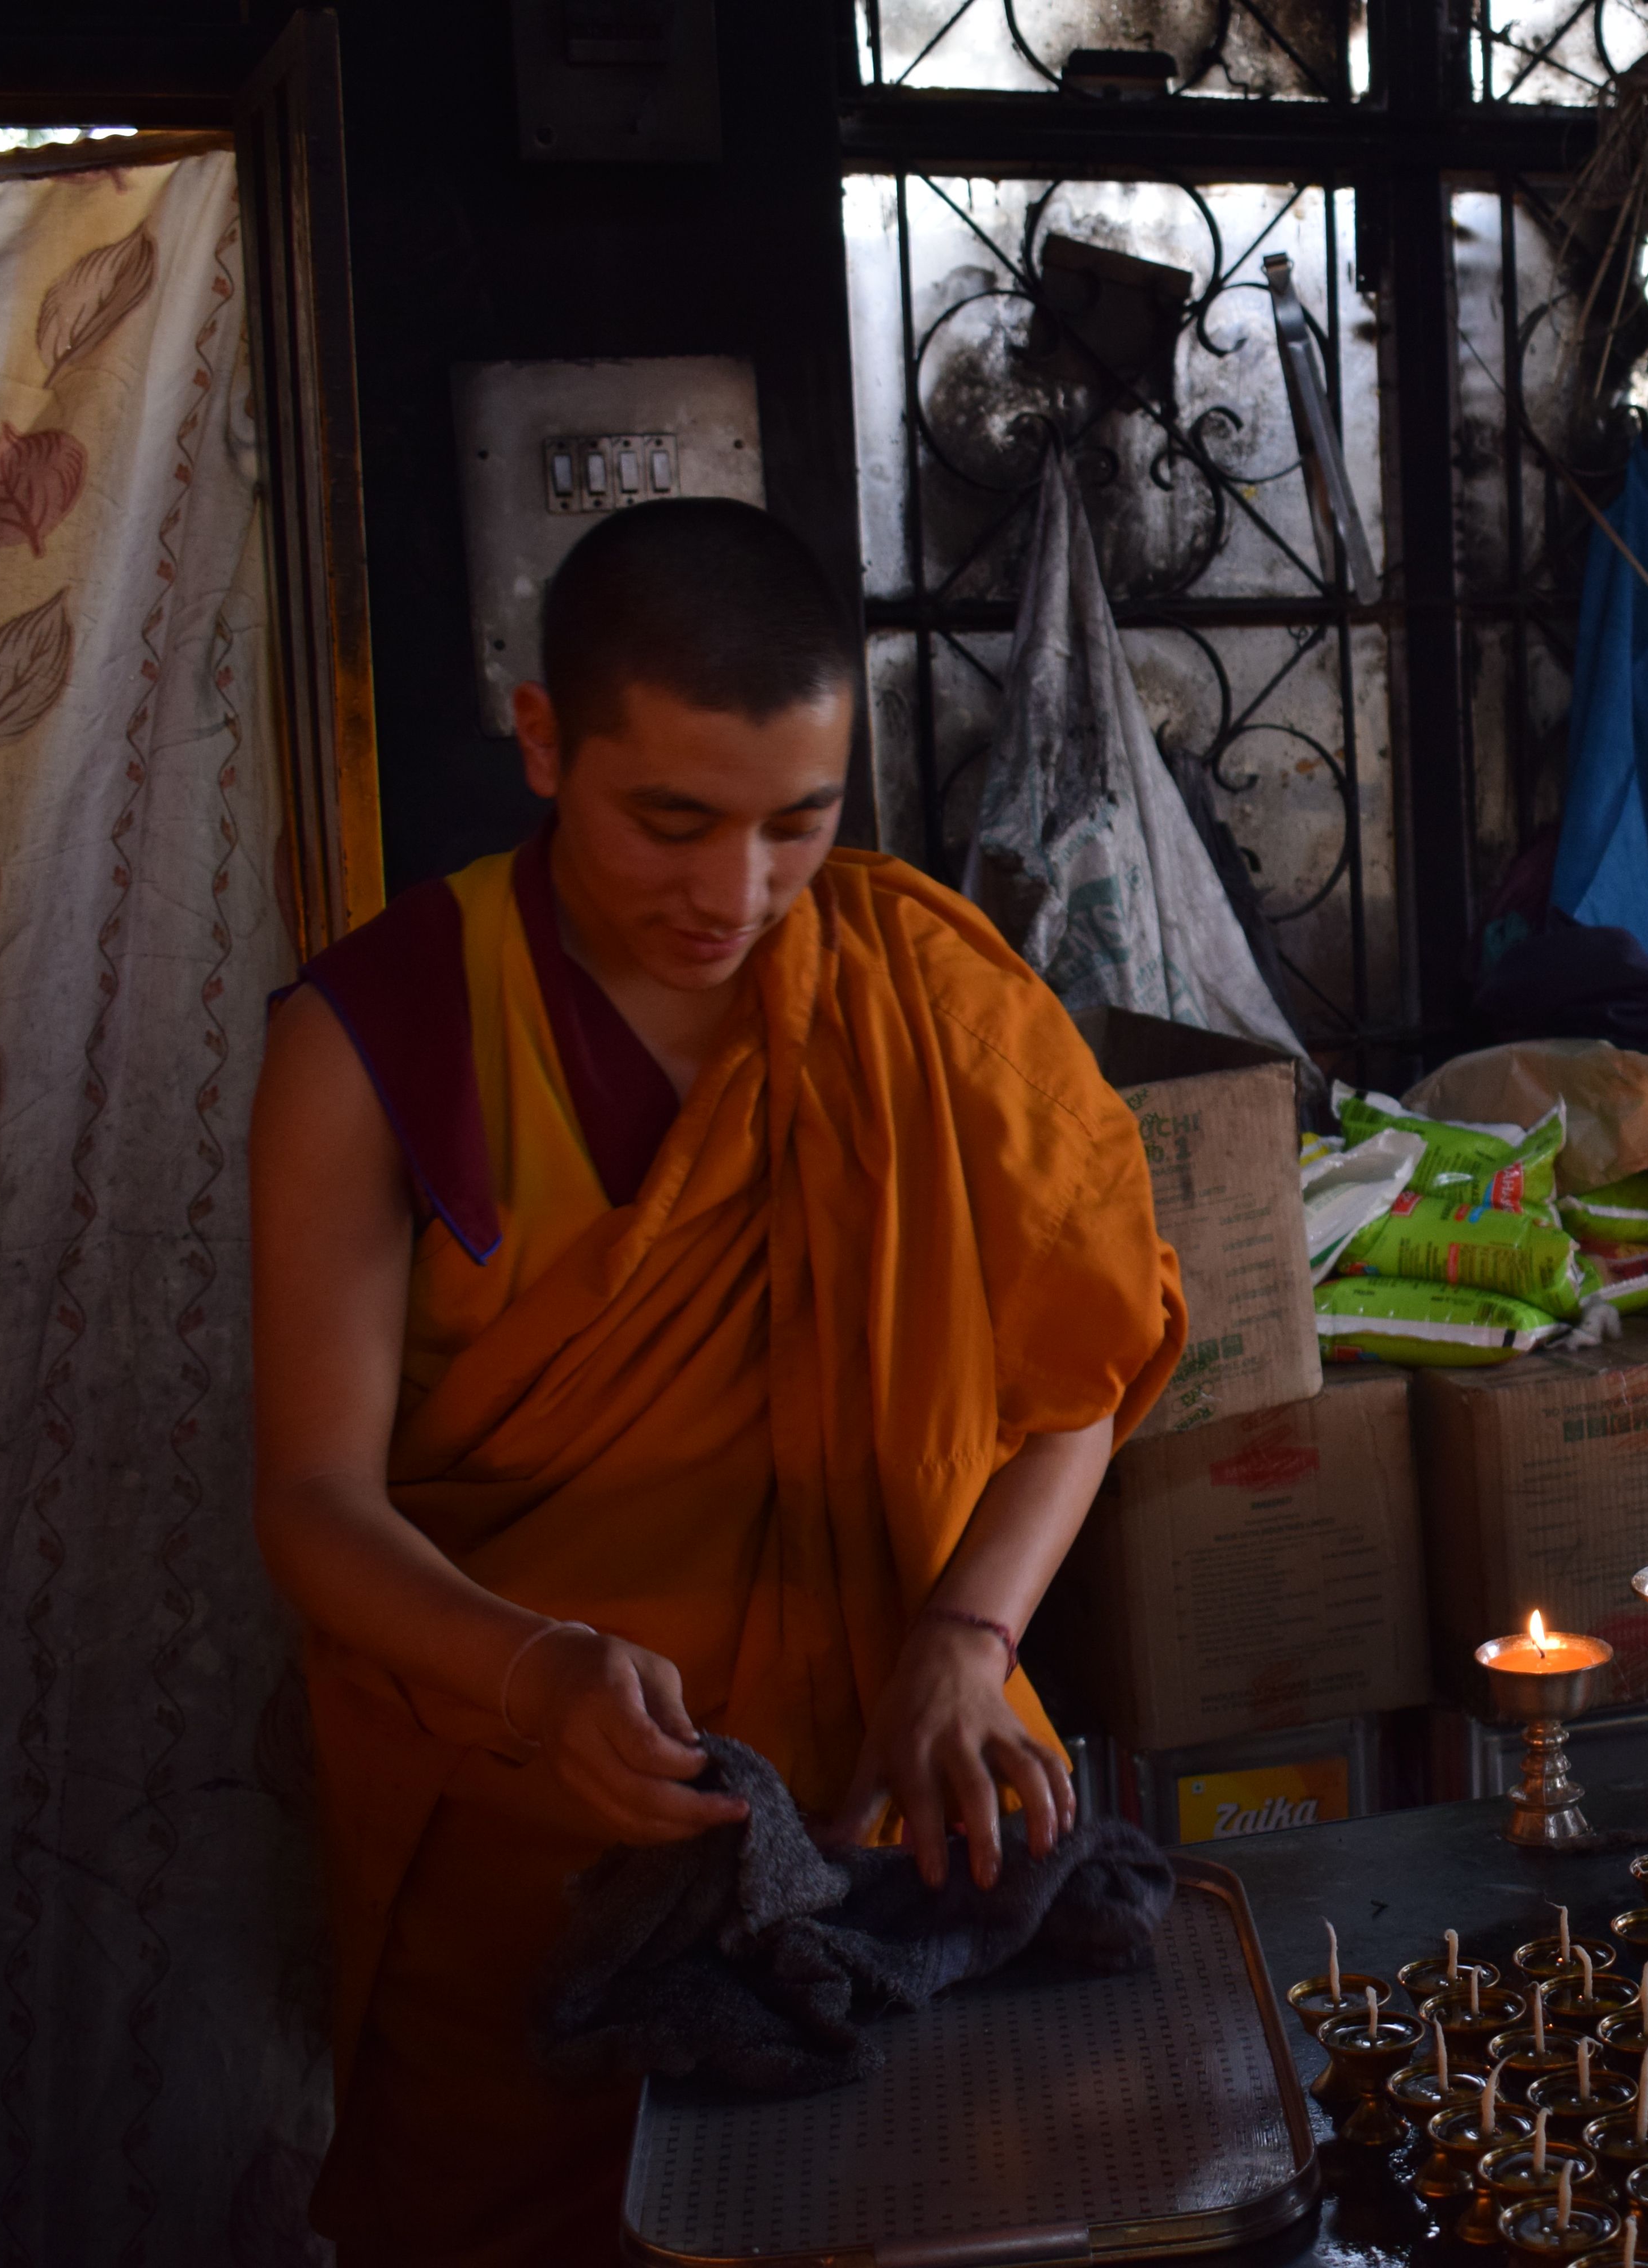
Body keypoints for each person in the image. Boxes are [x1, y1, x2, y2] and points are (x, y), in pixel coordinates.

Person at [248, 499, 1185, 2265]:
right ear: (543, 741)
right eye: (669, 824)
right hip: (539, 1845)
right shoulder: (381, 1039)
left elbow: (1086, 1367)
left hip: (900, 1809)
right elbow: (310, 1497)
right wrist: (535, 1675)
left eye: (796, 827)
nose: (736, 896)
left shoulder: (911, 981)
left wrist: (968, 1641)